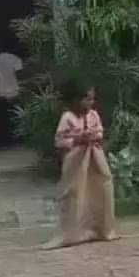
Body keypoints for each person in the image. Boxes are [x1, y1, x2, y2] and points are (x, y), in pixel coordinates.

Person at [44, 82, 118, 249]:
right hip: (76, 161)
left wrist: (94, 136)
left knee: (101, 188)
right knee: (74, 193)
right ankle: (72, 233)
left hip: (95, 158)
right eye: (86, 99)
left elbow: (100, 131)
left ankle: (101, 229)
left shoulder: (93, 115)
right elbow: (59, 141)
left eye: (92, 99)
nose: (90, 102)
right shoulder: (67, 118)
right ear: (75, 100)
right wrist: (78, 139)